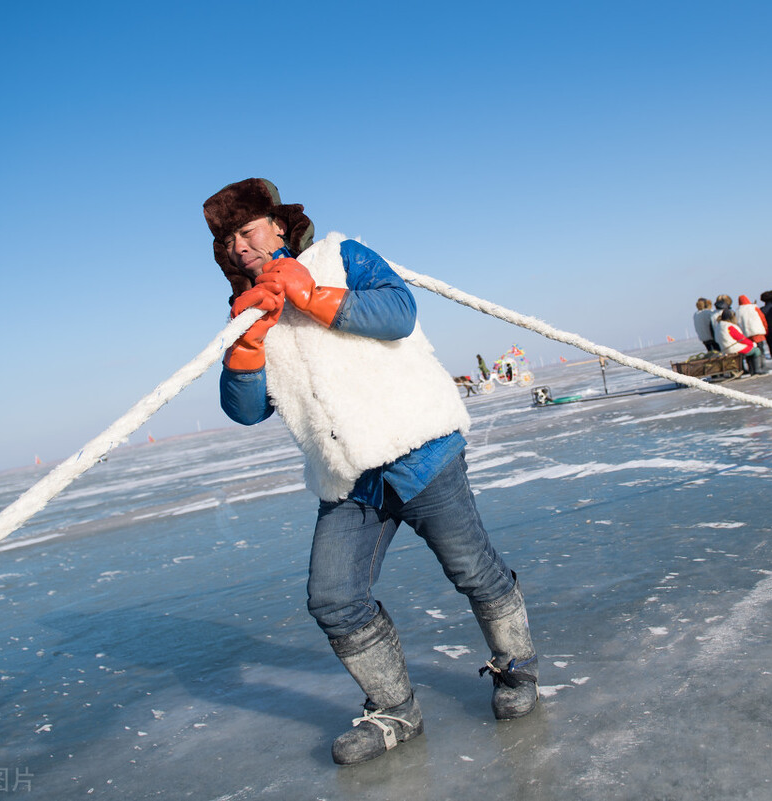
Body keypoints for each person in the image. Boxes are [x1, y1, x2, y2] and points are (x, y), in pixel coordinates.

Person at [203, 178, 539, 766]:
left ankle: (518, 671)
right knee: (332, 598)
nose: (238, 246)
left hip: (420, 449)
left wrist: (312, 294)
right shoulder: (247, 306)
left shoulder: (342, 255)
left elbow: (398, 313)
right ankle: (395, 711)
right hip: (347, 478)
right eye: (227, 240)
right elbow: (247, 410)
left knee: (473, 571)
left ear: (278, 225)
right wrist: (248, 345)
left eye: (246, 230)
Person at [714, 309, 767, 376]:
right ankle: (757, 370)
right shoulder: (729, 326)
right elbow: (741, 339)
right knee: (756, 351)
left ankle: (752, 370)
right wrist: (752, 344)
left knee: (751, 350)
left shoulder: (719, 326)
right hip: (733, 348)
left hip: (724, 348)